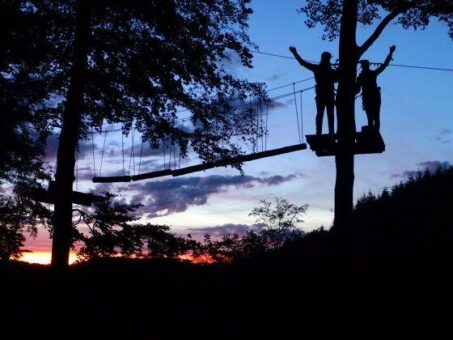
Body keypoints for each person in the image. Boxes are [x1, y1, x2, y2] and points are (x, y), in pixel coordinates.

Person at [289, 46, 339, 136]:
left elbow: (303, 63)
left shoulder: (319, 69)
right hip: (327, 95)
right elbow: (303, 63)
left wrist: (295, 53)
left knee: (322, 114)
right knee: (328, 114)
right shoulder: (328, 71)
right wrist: (295, 53)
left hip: (322, 94)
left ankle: (320, 133)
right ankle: (328, 133)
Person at [356, 45, 396, 132]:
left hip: (370, 98)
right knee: (375, 117)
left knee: (372, 118)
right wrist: (390, 53)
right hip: (373, 97)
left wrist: (390, 53)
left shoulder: (363, 76)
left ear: (363, 67)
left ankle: (374, 133)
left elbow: (357, 90)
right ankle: (375, 132)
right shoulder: (370, 74)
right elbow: (384, 65)